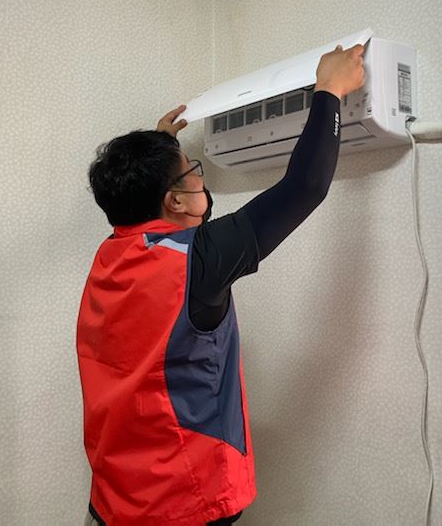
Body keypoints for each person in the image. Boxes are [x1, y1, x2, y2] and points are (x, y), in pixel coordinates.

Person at [77, 42, 366, 526]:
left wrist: (162, 148)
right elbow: (304, 187)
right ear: (173, 201)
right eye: (192, 172)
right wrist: (329, 91)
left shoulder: (111, 254)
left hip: (114, 498)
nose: (200, 178)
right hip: (181, 502)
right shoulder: (198, 261)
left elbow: (164, 217)